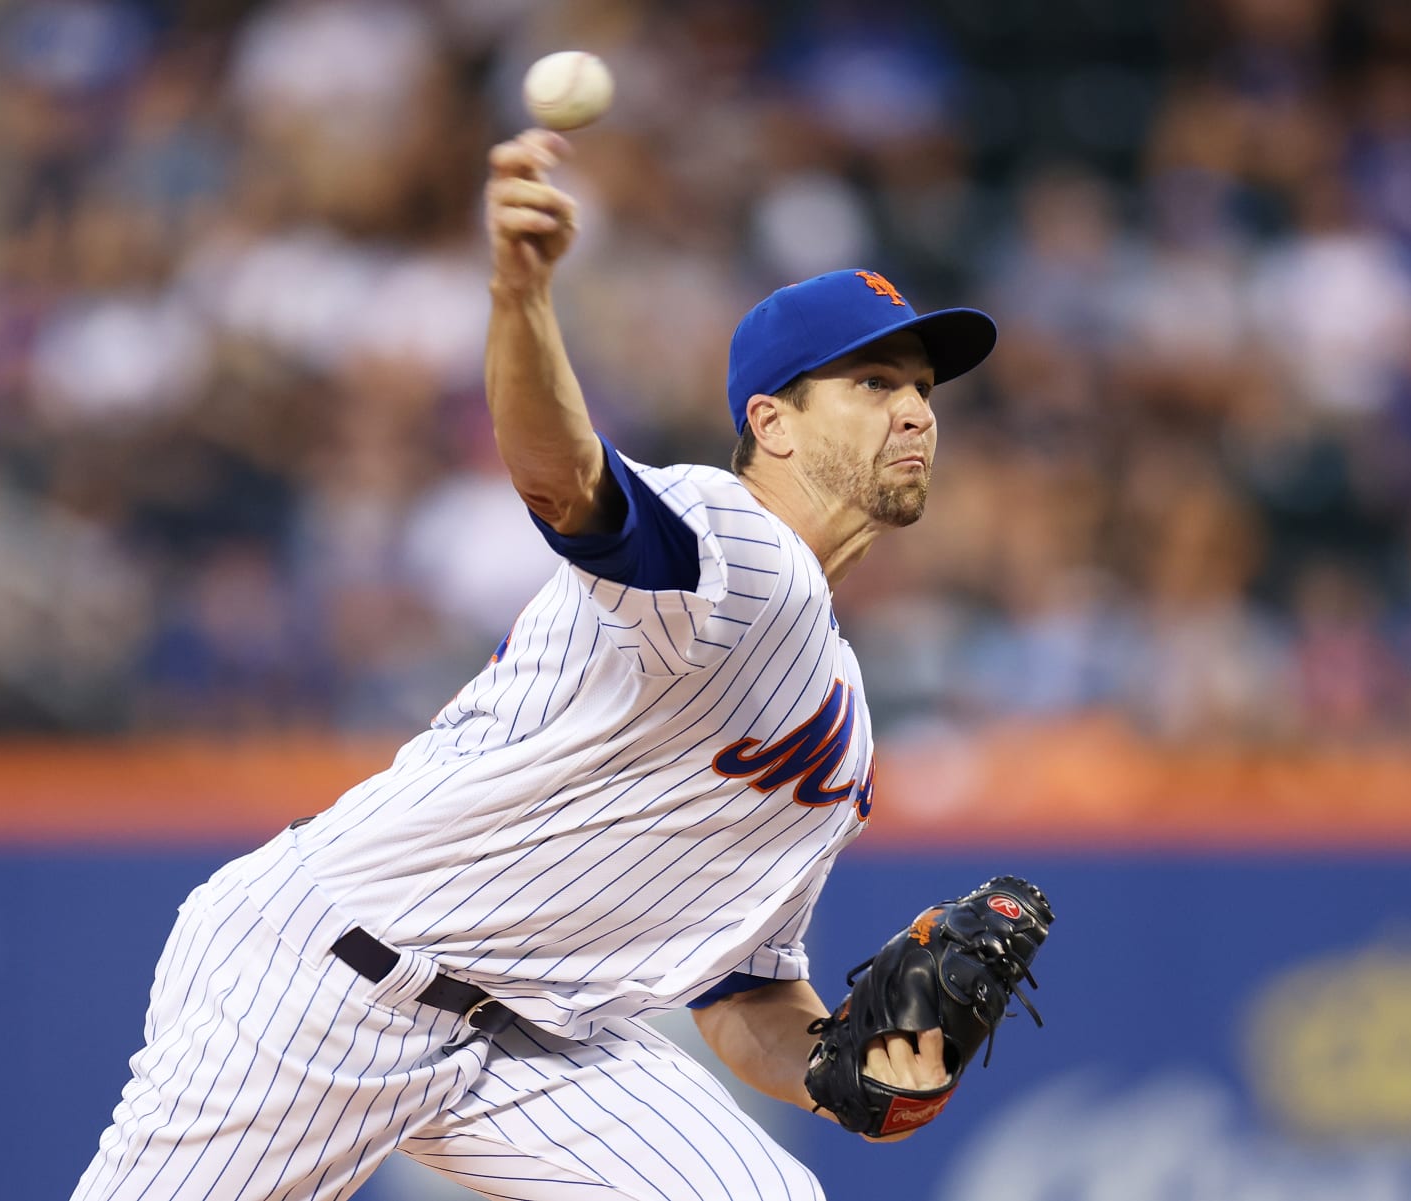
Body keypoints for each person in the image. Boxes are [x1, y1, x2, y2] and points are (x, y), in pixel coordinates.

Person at [73, 129, 998, 1201]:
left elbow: (743, 999)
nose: (919, 409)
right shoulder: (730, 537)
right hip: (326, 979)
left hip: (538, 1044)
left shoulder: (840, 714)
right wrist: (519, 295)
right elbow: (563, 482)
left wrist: (849, 1073)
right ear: (771, 422)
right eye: (875, 381)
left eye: (924, 386)